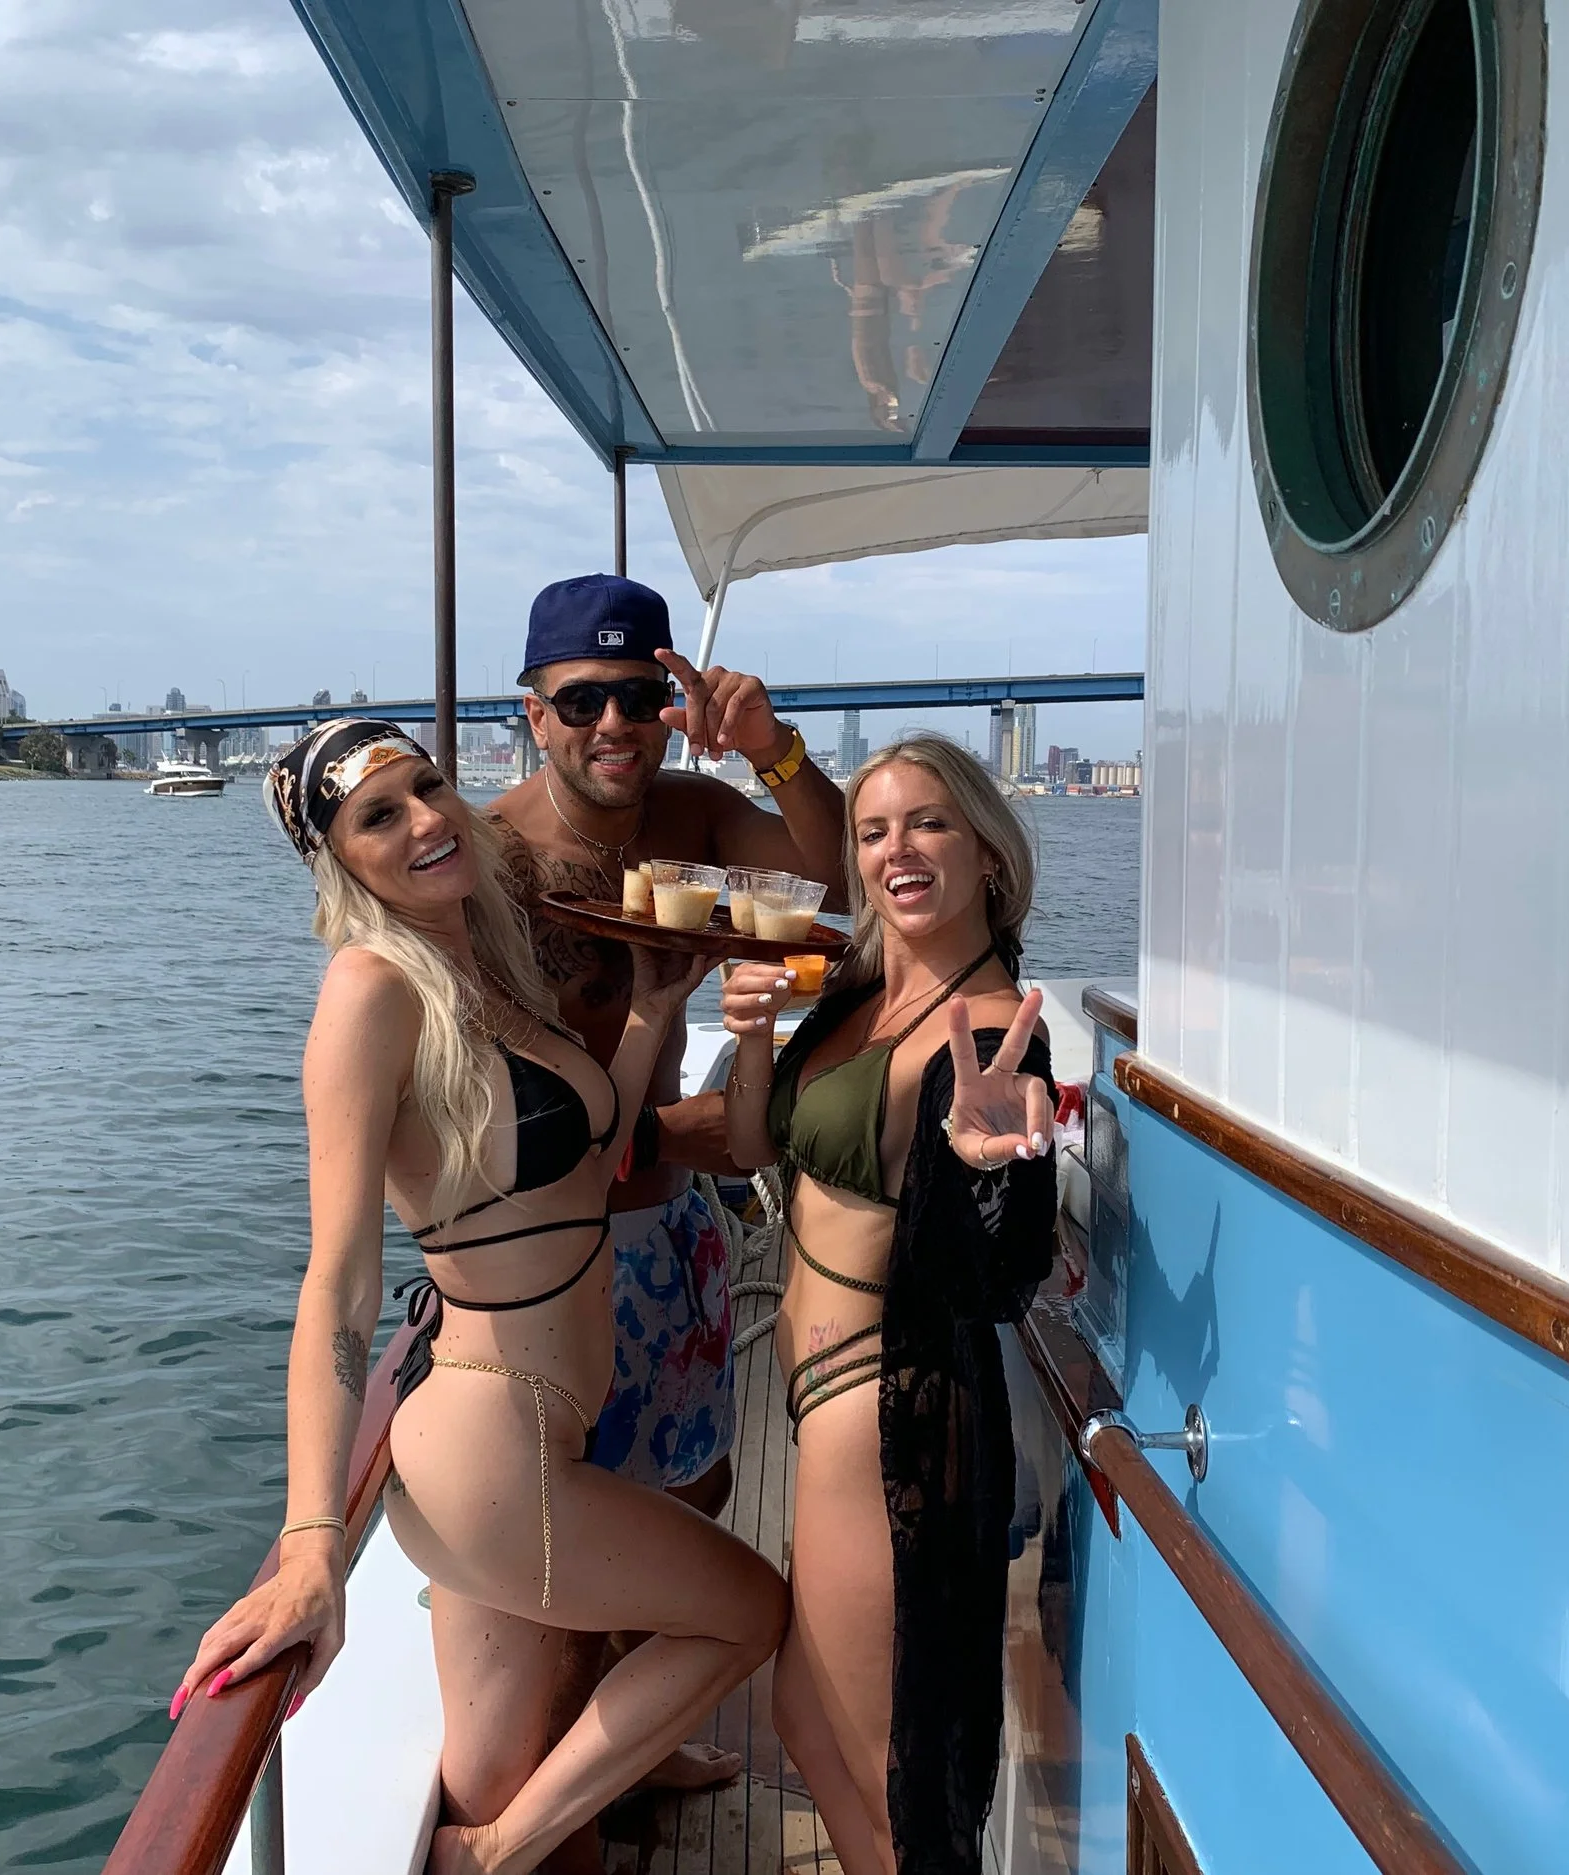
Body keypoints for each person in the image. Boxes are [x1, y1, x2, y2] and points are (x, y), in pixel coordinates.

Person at [173, 720, 786, 1875]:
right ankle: (492, 1853)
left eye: (429, 788)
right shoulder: (372, 990)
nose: (423, 821)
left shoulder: (482, 969)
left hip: (537, 1439)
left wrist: (656, 999)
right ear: (337, 860)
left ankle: (500, 1838)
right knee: (748, 1611)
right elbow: (341, 1283)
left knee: (507, 1771)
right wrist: (311, 1539)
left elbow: (589, 1146)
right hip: (495, 1455)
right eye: (376, 815)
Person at [718, 733, 1058, 1875]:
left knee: (890, 1775)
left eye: (927, 824)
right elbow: (756, 1144)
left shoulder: (995, 1026)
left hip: (884, 1410)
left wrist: (981, 1163)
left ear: (988, 857)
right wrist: (756, 1042)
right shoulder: (861, 984)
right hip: (818, 1404)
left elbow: (999, 1267)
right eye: (872, 831)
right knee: (806, 1724)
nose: (895, 850)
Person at [489, 573, 849, 1514]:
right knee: (570, 1540)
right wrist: (658, 1137)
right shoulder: (491, 857)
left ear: (672, 712)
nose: (615, 720)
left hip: (678, 1228)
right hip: (549, 1251)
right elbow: (471, 1096)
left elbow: (838, 876)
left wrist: (773, 748)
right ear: (536, 715)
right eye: (582, 698)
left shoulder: (695, 812)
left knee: (702, 1486)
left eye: (642, 697)